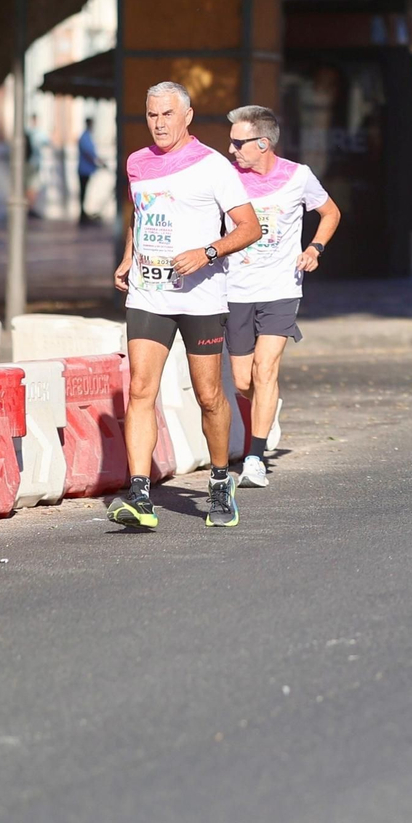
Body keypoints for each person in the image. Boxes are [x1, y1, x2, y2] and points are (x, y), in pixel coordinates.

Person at [108, 82, 261, 530]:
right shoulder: (137, 162)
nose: (158, 124)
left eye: (167, 115)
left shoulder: (213, 166)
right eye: (152, 115)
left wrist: (207, 253)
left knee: (209, 395)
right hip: (149, 293)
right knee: (140, 390)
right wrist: (127, 254)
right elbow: (138, 211)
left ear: (187, 115)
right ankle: (139, 493)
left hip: (200, 296)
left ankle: (218, 481)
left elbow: (249, 228)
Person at [223, 105, 342, 488]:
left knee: (266, 368)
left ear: (263, 143)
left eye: (239, 143)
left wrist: (315, 249)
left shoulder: (298, 177)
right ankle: (268, 408)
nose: (232, 149)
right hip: (235, 288)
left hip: (281, 288)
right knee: (243, 381)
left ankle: (255, 457)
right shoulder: (226, 178)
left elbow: (330, 213)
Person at [76, 118, 103, 225]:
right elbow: (89, 153)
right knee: (83, 193)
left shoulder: (87, 136)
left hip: (87, 169)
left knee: (85, 193)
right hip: (84, 170)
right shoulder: (85, 137)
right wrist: (97, 161)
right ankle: (82, 215)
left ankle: (84, 214)